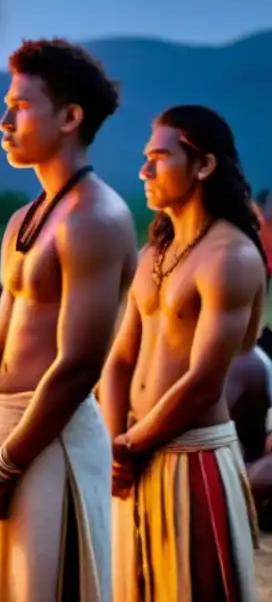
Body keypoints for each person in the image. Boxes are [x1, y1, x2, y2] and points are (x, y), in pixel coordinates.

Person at [0, 40, 137, 601]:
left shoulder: (95, 218)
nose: (4, 121)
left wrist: (4, 465)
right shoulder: (25, 218)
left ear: (69, 117)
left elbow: (79, 364)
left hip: (51, 442)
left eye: (20, 106)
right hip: (4, 443)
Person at [100, 105, 267, 599]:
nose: (144, 170)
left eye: (159, 157)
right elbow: (119, 360)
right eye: (145, 157)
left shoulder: (231, 256)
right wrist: (115, 443)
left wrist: (129, 445)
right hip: (134, 457)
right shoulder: (153, 254)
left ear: (204, 165)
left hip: (193, 461)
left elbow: (203, 383)